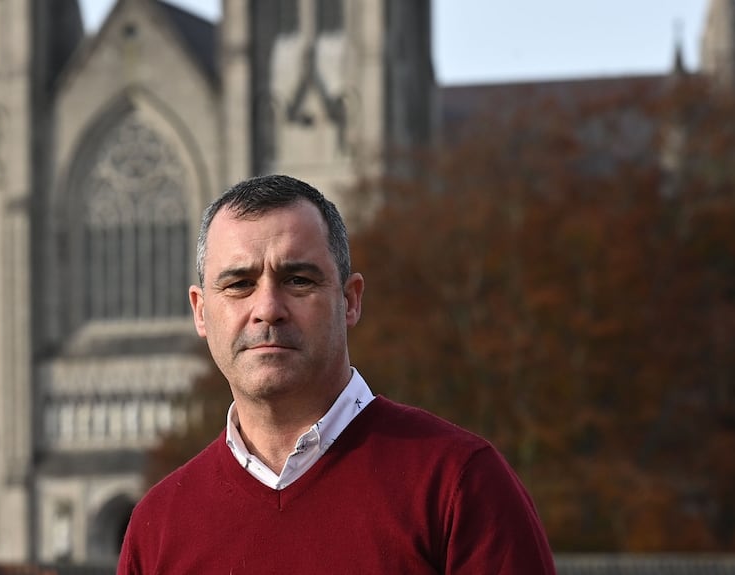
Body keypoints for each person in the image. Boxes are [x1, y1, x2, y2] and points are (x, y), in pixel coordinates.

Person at [118, 174, 556, 574]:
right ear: (200, 311)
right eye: (239, 284)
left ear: (350, 300)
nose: (267, 308)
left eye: (298, 280)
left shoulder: (459, 485)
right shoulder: (157, 527)